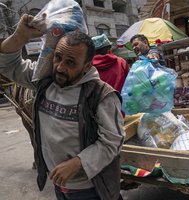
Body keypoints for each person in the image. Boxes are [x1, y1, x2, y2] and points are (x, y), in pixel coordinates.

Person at [0, 14, 124, 200]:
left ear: (87, 66)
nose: (59, 67)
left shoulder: (101, 95)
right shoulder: (44, 81)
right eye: (58, 57)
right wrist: (20, 37)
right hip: (59, 186)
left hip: (91, 190)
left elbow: (112, 142)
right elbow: (8, 66)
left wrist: (78, 163)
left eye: (71, 62)